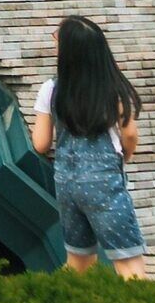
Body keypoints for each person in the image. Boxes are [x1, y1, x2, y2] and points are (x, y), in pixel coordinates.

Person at [29, 14, 148, 279]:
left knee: (78, 262)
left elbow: (40, 144)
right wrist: (123, 157)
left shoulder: (51, 89)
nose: (54, 44)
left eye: (57, 40)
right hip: (105, 183)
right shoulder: (113, 89)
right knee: (128, 263)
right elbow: (129, 135)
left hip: (67, 184)